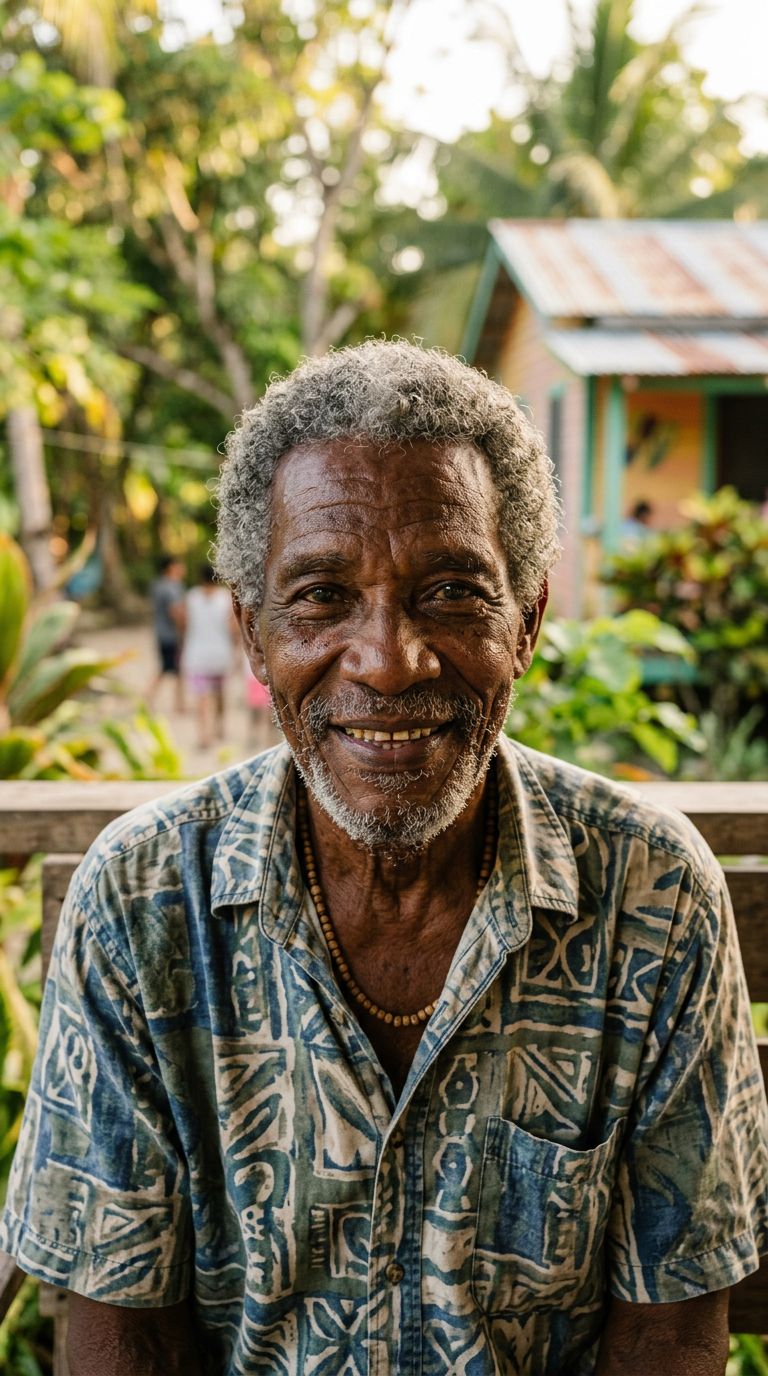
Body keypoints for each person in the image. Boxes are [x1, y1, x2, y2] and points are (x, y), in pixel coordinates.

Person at [0, 341, 766, 1376]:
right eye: (320, 595)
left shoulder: (655, 899)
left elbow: (671, 1334)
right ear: (256, 634)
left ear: (528, 620)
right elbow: (120, 1334)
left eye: (452, 590)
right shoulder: (140, 903)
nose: (389, 658)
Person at [179, 564, 238, 749]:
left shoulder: (191, 596)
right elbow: (233, 627)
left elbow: (185, 623)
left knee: (201, 697)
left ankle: (204, 735)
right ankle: (220, 727)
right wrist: (236, 648)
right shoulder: (224, 598)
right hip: (220, 653)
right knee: (220, 693)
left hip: (197, 654)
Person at [147, 554, 186, 712]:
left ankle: (179, 704)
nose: (182, 568)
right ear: (171, 567)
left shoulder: (158, 585)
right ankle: (147, 696)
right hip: (171, 635)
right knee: (166, 668)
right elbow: (175, 611)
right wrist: (184, 629)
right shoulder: (172, 587)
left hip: (161, 632)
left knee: (177, 669)